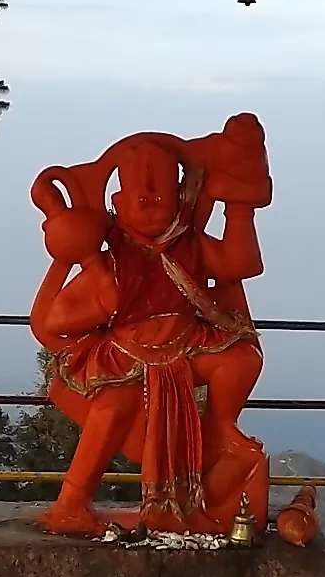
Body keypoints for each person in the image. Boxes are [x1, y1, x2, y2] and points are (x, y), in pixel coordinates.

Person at [28, 114, 272, 535]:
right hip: (126, 351)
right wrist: (76, 269)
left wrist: (240, 208)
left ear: (182, 198)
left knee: (240, 360)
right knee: (113, 407)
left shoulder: (190, 244)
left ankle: (219, 433)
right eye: (138, 191)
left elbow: (242, 263)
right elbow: (55, 320)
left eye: (160, 187)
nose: (150, 197)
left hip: (188, 340)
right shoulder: (113, 261)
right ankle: (71, 500)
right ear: (116, 205)